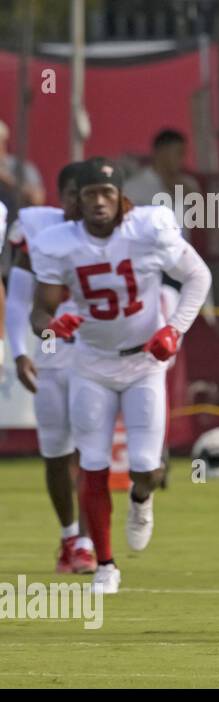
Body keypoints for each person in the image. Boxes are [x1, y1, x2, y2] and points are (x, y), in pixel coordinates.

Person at [29, 158, 212, 595]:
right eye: (90, 193)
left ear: (122, 200)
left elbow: (198, 275)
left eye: (106, 194)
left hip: (144, 361)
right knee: (91, 463)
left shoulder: (147, 230)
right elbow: (41, 311)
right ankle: (106, 564)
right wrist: (52, 330)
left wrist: (174, 329)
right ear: (76, 202)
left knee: (146, 467)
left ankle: (141, 500)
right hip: (90, 362)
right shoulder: (59, 243)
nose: (98, 202)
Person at [5, 162, 98, 574]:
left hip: (100, 357)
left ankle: (90, 541)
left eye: (94, 192)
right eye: (77, 193)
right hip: (54, 357)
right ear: (63, 197)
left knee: (92, 451)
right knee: (57, 453)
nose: (87, 202)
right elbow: (19, 298)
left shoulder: (122, 235)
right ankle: (69, 537)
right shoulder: (40, 231)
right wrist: (21, 353)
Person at [123, 129, 202, 206]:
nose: (182, 159)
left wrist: (190, 197)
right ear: (161, 152)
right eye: (178, 153)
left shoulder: (189, 183)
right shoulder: (134, 187)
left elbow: (204, 217)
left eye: (183, 154)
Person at [0, 118, 45, 210]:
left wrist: (6, 180)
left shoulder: (20, 167)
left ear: (3, 142)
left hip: (15, 222)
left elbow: (37, 199)